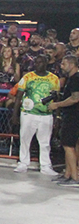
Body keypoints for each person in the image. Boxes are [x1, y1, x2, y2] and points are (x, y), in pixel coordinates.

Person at [11, 54, 60, 175]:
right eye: (36, 62)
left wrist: (57, 116)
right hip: (28, 113)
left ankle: (45, 165)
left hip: (46, 114)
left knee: (45, 142)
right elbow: (18, 96)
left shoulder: (54, 78)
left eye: (41, 62)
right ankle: (23, 163)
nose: (38, 65)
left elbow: (57, 98)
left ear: (46, 63)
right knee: (25, 139)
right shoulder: (28, 77)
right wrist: (15, 114)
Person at [47, 54, 79, 186]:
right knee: (70, 145)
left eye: (64, 64)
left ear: (71, 65)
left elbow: (75, 98)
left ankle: (75, 178)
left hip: (73, 116)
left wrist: (57, 105)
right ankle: (68, 174)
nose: (61, 66)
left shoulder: (76, 78)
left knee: (68, 146)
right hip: (73, 116)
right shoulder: (72, 78)